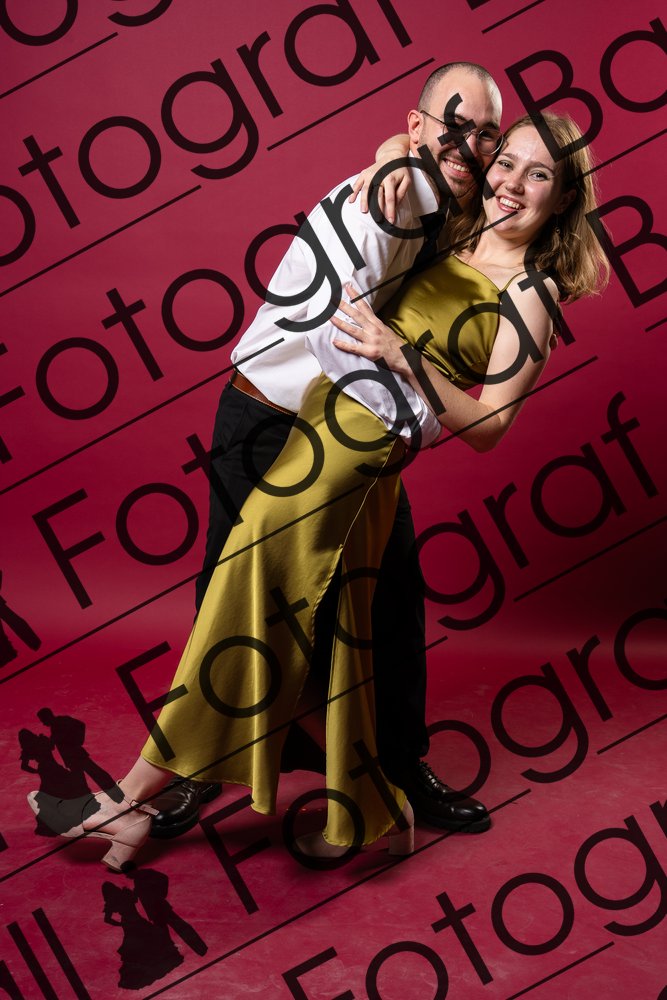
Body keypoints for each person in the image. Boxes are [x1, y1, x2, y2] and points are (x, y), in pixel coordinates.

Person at [28, 110, 608, 867]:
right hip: (318, 422)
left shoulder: (532, 290)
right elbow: (413, 159)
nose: (512, 184)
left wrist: (402, 355)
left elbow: (490, 425)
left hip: (356, 457)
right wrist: (389, 152)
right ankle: (372, 812)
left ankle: (128, 801)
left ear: (563, 198)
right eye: (509, 163)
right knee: (318, 633)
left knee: (246, 598)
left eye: (540, 176)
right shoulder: (455, 226)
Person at [149, 61, 503, 840]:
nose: (467, 144)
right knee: (232, 593)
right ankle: (192, 772)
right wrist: (419, 423)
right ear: (416, 125)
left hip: (350, 424)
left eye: (484, 133)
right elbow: (334, 333)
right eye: (451, 124)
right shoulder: (385, 200)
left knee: (391, 595)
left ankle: (400, 764)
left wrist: (395, 153)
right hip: (270, 419)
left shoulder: (445, 196)